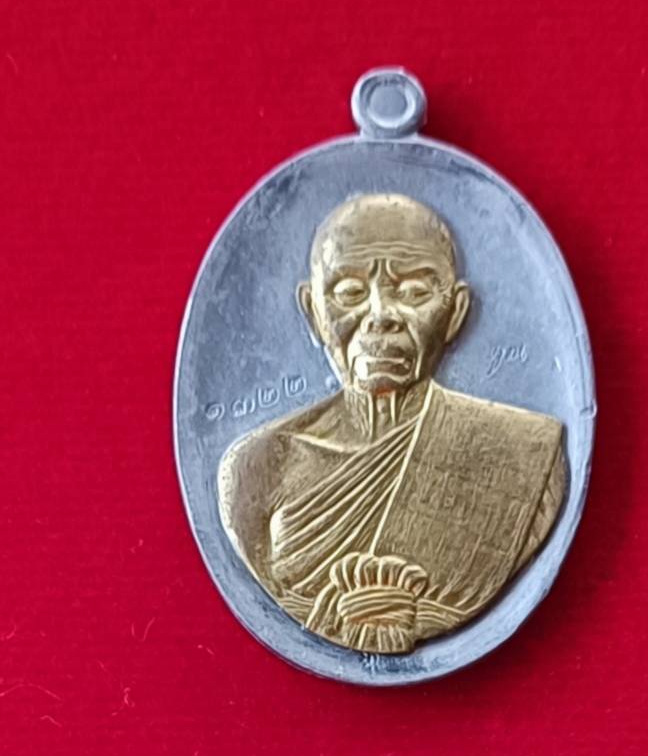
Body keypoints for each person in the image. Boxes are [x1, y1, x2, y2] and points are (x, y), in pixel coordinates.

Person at [218, 193, 565, 654]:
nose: (380, 316)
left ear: (455, 312)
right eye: (349, 293)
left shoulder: (526, 458)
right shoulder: (256, 470)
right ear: (314, 312)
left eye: (415, 292)